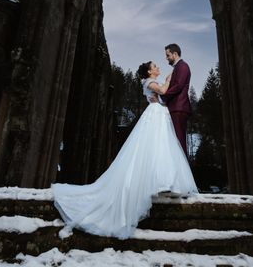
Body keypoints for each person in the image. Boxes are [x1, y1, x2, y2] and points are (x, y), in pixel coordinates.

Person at [52, 60, 197, 239]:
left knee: (162, 149)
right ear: (150, 72)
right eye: (155, 66)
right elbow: (163, 92)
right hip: (154, 115)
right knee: (152, 148)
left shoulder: (152, 81)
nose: (158, 67)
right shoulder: (148, 82)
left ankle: (164, 181)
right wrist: (169, 78)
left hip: (160, 115)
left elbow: (163, 96)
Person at [159, 43, 192, 156]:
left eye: (168, 55)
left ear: (175, 54)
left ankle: (183, 171)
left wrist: (162, 96)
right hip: (175, 108)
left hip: (179, 108)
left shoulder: (183, 66)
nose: (166, 58)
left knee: (179, 142)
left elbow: (178, 86)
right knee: (175, 142)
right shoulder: (177, 68)